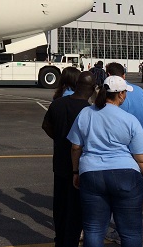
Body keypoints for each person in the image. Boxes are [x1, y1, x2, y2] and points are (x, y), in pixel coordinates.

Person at [68, 76, 143, 247]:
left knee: (93, 229)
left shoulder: (86, 113)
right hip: (125, 173)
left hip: (91, 172)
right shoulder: (129, 119)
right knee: (130, 232)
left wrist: (75, 172)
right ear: (121, 95)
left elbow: (76, 147)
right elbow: (142, 158)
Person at [105, 62, 143, 245]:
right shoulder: (140, 92)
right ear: (124, 75)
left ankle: (119, 230)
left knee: (116, 190)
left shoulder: (107, 95)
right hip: (141, 142)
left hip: (119, 144)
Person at [42, 71, 95, 247]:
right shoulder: (88, 111)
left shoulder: (58, 104)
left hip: (59, 162)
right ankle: (69, 241)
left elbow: (46, 126)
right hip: (79, 165)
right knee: (76, 209)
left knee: (60, 206)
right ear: (92, 89)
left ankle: (60, 239)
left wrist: (59, 138)